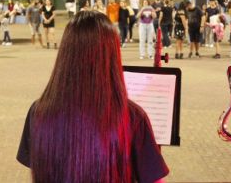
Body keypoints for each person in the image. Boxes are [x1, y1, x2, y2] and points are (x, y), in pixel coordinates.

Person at [16, 11, 169, 183]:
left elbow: (36, 165)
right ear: (111, 55)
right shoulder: (132, 116)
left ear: (65, 53)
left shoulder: (38, 111)